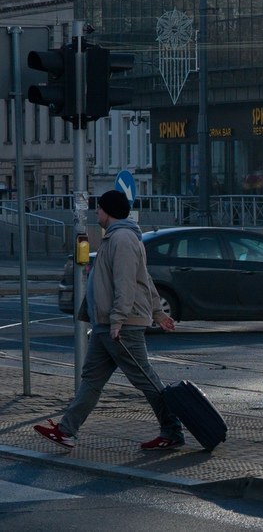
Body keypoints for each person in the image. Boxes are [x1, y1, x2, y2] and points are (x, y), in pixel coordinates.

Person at [34, 190, 183, 450]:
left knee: (145, 380)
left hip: (121, 326)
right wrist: (157, 311)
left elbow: (126, 283)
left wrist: (118, 320)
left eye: (99, 209)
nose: (97, 213)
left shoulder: (123, 238)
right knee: (92, 379)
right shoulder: (114, 237)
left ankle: (172, 431)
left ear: (109, 211)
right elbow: (144, 279)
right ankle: (66, 430)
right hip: (106, 325)